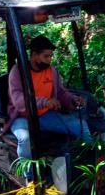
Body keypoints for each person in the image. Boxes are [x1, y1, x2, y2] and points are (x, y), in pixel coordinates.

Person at [6, 35, 89, 163]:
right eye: (46, 56)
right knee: (25, 138)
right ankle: (29, 176)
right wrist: (44, 102)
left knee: (80, 126)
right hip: (22, 117)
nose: (49, 60)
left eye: (51, 56)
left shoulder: (52, 71)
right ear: (34, 55)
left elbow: (61, 92)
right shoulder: (18, 72)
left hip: (44, 116)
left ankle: (89, 165)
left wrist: (72, 99)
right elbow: (18, 100)